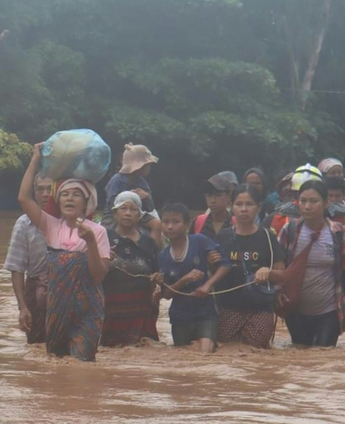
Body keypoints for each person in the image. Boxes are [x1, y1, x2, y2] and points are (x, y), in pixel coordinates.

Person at [19, 143, 110, 361]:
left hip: (87, 311)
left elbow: (98, 276)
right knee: (57, 365)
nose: (69, 198)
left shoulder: (97, 231)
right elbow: (23, 198)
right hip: (57, 309)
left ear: (86, 201)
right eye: (65, 194)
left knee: (81, 367)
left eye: (76, 194)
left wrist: (90, 244)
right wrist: (35, 159)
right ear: (57, 201)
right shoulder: (51, 225)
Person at [277, 180, 345, 347]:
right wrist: (277, 295)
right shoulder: (289, 232)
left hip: (330, 312)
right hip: (296, 312)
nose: (307, 206)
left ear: (326, 203)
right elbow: (277, 270)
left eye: (313, 201)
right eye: (303, 201)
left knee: (324, 358)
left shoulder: (340, 235)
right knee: (299, 359)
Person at [214, 185, 287, 348]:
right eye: (239, 204)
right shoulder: (222, 237)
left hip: (260, 310)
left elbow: (282, 274)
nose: (244, 209)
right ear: (231, 207)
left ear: (258, 207)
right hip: (227, 309)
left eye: (249, 204)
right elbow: (213, 273)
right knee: (226, 353)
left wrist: (268, 272)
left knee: (256, 351)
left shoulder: (268, 236)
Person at [155, 203, 231, 353]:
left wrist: (208, 285)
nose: (170, 226)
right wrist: (184, 279)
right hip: (180, 317)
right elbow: (167, 295)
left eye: (176, 222)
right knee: (185, 356)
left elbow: (225, 265)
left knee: (205, 351)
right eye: (166, 222)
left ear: (187, 224)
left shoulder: (200, 241)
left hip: (206, 313)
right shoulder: (163, 256)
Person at [100, 192, 160, 347]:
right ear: (115, 213)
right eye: (123, 208)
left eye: (133, 209)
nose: (127, 213)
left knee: (142, 351)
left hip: (140, 310)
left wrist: (157, 278)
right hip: (110, 308)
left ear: (140, 215)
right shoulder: (102, 238)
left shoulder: (148, 243)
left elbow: (158, 272)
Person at [4, 174, 53, 344]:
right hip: (36, 291)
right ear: (34, 193)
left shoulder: (70, 220)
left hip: (64, 290)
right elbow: (17, 268)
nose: (45, 194)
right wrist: (22, 307)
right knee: (37, 346)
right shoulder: (24, 224)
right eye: (40, 189)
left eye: (50, 188)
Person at [103, 144, 161, 237]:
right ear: (140, 166)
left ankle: (154, 250)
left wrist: (146, 196)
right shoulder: (116, 180)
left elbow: (149, 208)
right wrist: (129, 199)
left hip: (139, 214)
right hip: (114, 215)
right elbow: (112, 204)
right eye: (148, 165)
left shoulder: (142, 182)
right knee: (107, 232)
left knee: (156, 224)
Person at [193, 172, 236, 237]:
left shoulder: (237, 224)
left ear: (229, 197)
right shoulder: (198, 222)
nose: (213, 201)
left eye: (218, 195)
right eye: (209, 195)